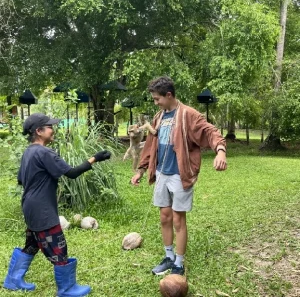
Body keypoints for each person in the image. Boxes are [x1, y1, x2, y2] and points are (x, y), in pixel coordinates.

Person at [3, 113, 111, 296]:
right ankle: (67, 289)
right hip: (42, 209)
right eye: (50, 127)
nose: (54, 129)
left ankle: (13, 280)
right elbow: (72, 173)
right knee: (58, 248)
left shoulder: (29, 151)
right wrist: (95, 158)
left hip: (30, 206)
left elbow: (21, 180)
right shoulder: (45, 152)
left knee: (32, 243)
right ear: (39, 131)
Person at [131, 76, 227, 276]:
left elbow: (210, 131)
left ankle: (179, 263)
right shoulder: (159, 117)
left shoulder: (188, 114)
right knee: (165, 217)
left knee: (177, 219)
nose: (155, 102)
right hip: (161, 173)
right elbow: (151, 145)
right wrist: (141, 170)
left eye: (157, 99)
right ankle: (169, 256)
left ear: (169, 95)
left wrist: (220, 151)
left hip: (180, 174)